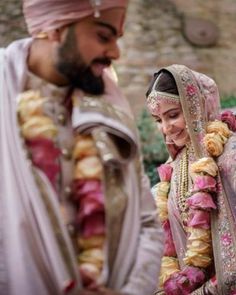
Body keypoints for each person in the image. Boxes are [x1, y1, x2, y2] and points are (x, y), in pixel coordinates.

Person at [0, 1, 164, 294]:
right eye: (103, 36)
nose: (115, 53)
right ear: (56, 28)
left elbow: (147, 224)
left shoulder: (113, 116)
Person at [145, 64, 236, 294]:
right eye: (158, 120)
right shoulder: (173, 170)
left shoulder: (230, 154)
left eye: (173, 115)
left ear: (195, 107)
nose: (166, 129)